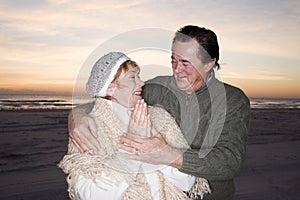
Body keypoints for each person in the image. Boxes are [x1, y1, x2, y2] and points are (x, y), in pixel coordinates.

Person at [69, 25, 250, 200]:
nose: (177, 69)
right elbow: (112, 98)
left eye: (185, 62)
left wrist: (168, 154)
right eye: (174, 60)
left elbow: (229, 162)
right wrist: (77, 115)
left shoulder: (232, 99)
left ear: (210, 63)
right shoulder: (157, 87)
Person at [59, 52, 210, 200]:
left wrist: (161, 150)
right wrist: (133, 143)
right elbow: (92, 195)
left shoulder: (160, 116)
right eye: (133, 77)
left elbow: (187, 182)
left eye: (138, 76)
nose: (141, 83)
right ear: (110, 87)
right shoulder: (88, 128)